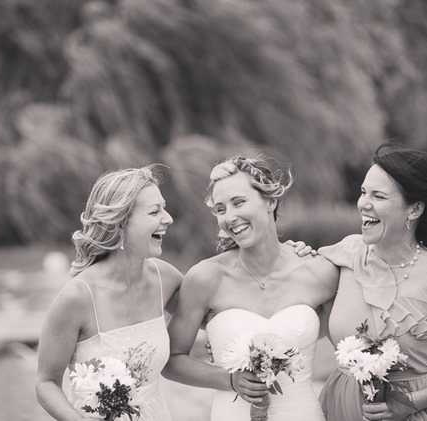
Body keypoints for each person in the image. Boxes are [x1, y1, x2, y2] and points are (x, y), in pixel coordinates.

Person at [163, 154, 340, 420]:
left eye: (238, 202)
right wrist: (229, 379)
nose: (230, 217)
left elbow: (350, 338)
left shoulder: (319, 272)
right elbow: (171, 360)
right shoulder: (205, 278)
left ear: (270, 201)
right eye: (221, 209)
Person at [318, 143, 427, 421]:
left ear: (415, 209)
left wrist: (408, 403)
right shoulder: (346, 253)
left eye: (378, 196)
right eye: (363, 192)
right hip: (341, 409)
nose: (363, 204)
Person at [36, 165, 183, 421]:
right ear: (120, 223)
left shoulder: (166, 279)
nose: (168, 218)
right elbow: (46, 383)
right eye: (154, 211)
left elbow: (213, 315)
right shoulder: (78, 297)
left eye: (164, 207)